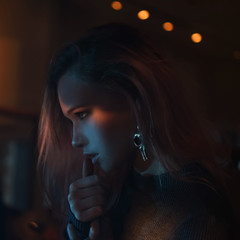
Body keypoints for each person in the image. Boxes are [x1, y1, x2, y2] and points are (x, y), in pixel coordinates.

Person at [38, 23, 239, 240]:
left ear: (136, 98)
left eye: (83, 115)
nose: (75, 140)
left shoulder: (194, 206)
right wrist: (81, 222)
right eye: (70, 121)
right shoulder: (118, 190)